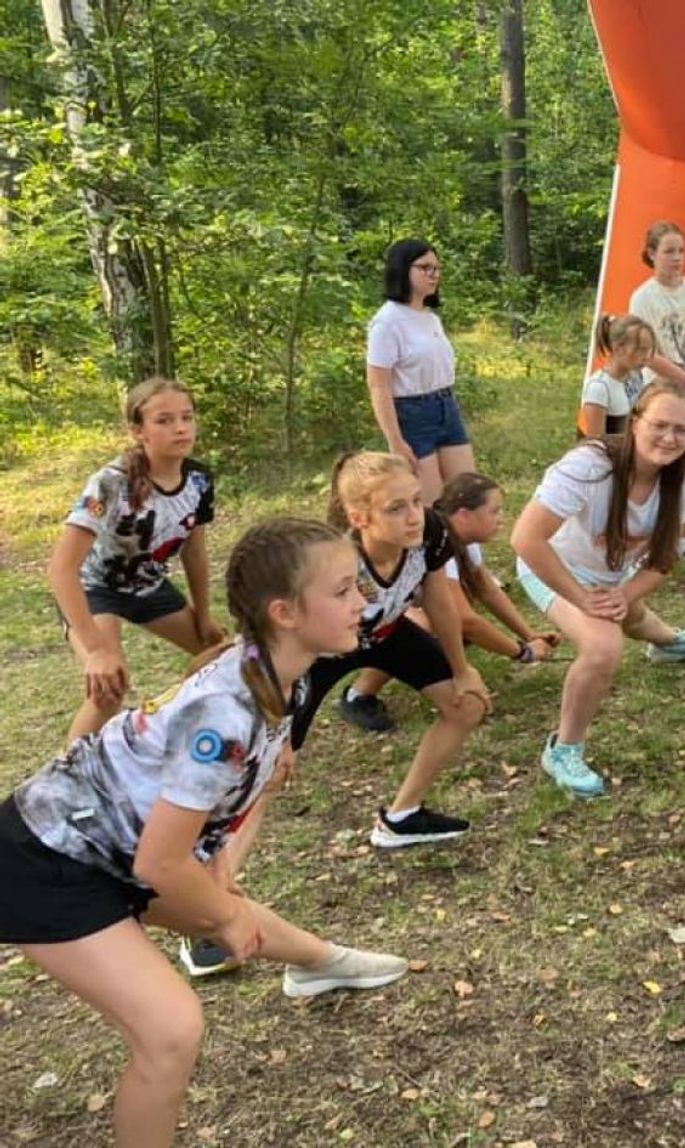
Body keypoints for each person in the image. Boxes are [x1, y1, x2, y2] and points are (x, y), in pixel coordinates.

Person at [1, 518, 409, 1148]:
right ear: (284, 613)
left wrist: (218, 872)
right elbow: (161, 864)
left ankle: (323, 964)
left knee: (226, 906)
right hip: (49, 859)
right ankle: (320, 961)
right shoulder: (225, 710)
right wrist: (222, 916)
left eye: (358, 586)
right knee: (172, 1030)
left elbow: (230, 796)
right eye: (343, 590)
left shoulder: (282, 672)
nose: (363, 601)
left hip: (110, 848)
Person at [511, 381, 685, 800]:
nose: (669, 438)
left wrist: (623, 595)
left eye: (681, 430)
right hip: (551, 567)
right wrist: (581, 597)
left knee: (631, 613)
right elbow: (525, 539)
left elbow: (664, 560)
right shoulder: (590, 465)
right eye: (659, 425)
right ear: (635, 422)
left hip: (607, 578)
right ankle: (563, 750)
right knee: (603, 647)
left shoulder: (676, 484)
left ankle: (669, 644)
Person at [300, 452, 490, 847]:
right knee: (269, 760)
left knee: (468, 704)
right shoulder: (334, 558)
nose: (414, 516)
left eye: (417, 501)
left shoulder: (431, 531)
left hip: (387, 633)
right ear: (359, 518)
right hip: (323, 649)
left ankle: (401, 818)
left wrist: (461, 669)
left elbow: (439, 600)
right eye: (396, 508)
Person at [48, 378, 225, 745]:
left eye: (187, 417)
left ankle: (185, 738)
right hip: (96, 588)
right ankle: (69, 773)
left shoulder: (199, 480)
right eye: (164, 420)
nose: (180, 428)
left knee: (222, 659)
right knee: (108, 689)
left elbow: (194, 553)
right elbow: (61, 569)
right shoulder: (109, 484)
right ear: (137, 430)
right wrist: (97, 650)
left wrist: (204, 616)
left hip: (147, 585)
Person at [338, 472, 561, 733]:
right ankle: (359, 694)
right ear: (464, 515)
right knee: (424, 626)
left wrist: (530, 635)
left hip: (397, 609)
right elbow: (465, 620)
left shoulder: (465, 543)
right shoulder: (437, 542)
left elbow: (487, 590)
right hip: (380, 617)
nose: (501, 518)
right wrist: (523, 652)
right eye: (494, 511)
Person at [629, 220, 685, 561]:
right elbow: (649, 354)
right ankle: (647, 539)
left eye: (681, 251)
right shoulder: (643, 297)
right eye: (669, 251)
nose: (677, 258)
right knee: (662, 465)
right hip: (664, 392)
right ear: (652, 254)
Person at [366, 238, 476, 506]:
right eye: (425, 267)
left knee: (468, 495)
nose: (433, 274)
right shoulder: (387, 322)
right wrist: (396, 441)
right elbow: (379, 386)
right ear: (402, 269)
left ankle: (465, 538)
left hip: (446, 408)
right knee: (430, 505)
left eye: (437, 268)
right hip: (412, 414)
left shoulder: (430, 318)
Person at [581, 313, 657, 437]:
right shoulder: (599, 387)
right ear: (618, 348)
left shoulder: (637, 375)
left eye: (648, 350)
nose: (646, 357)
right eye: (641, 350)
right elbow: (595, 440)